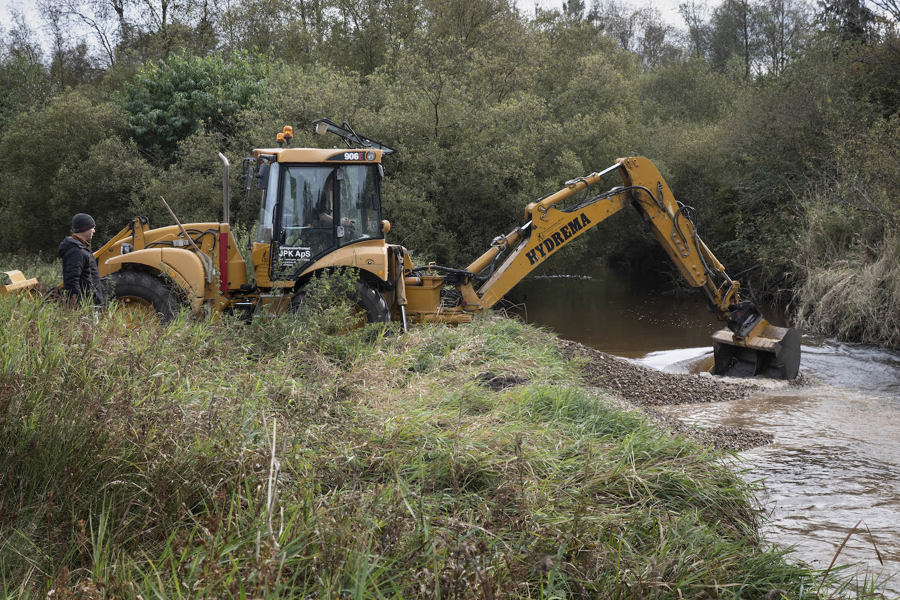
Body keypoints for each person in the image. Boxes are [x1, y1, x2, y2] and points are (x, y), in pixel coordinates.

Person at [58, 212, 104, 306]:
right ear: (85, 229)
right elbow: (72, 281)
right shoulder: (76, 252)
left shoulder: (81, 249)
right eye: (92, 228)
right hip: (86, 306)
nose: (94, 231)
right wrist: (81, 305)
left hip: (90, 304)